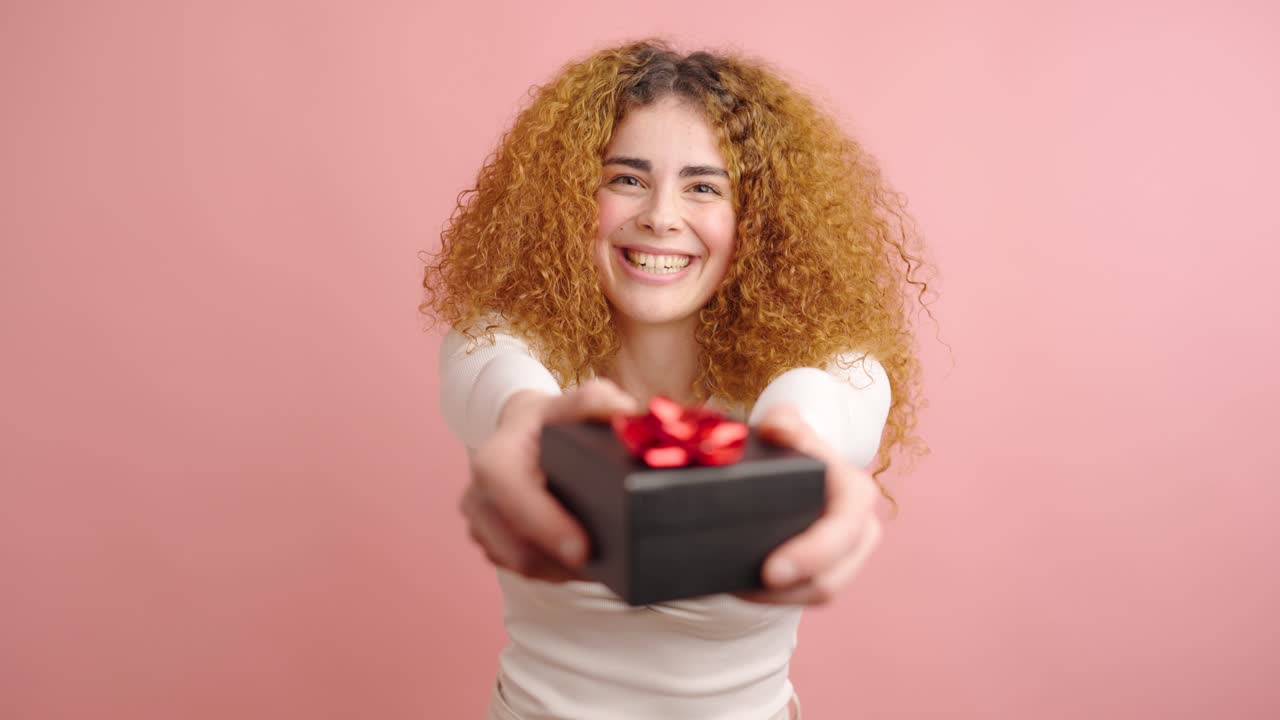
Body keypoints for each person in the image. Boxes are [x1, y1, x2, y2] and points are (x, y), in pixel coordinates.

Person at [420, 38, 930, 720]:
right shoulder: (496, 344)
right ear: (573, 197)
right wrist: (535, 427)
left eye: (703, 187)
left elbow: (822, 406)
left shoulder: (837, 369)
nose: (661, 215)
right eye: (626, 179)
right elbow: (506, 393)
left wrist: (794, 449)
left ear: (759, 222)